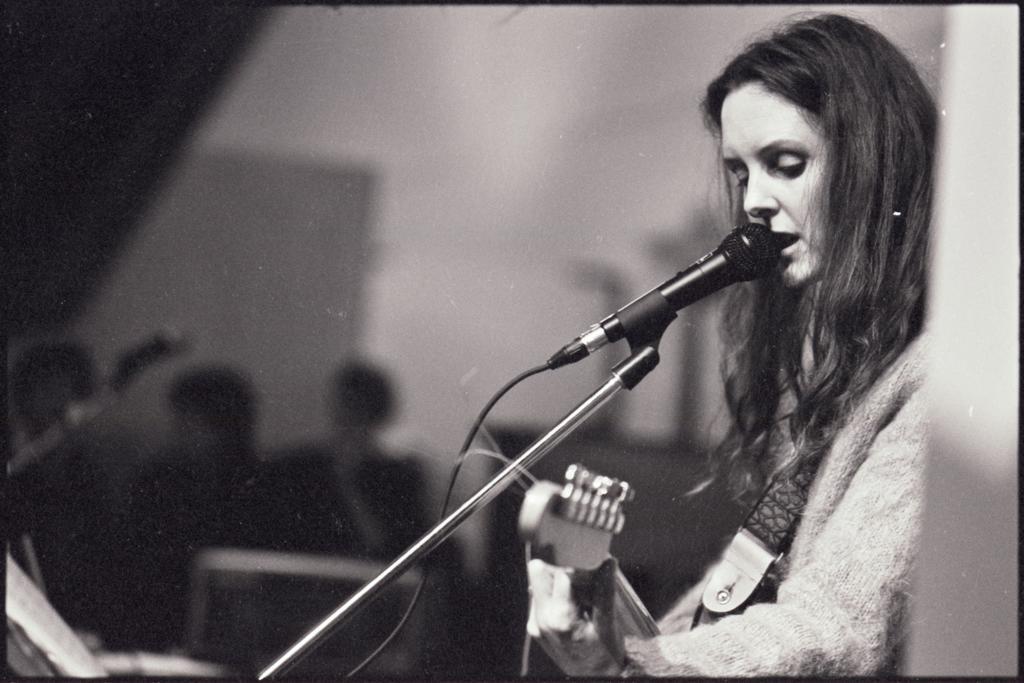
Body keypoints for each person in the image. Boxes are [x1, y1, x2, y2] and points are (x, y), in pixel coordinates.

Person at [526, 13, 934, 677]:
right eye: (742, 174)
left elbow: (836, 624)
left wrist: (635, 665)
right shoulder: (850, 373)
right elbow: (733, 607)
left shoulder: (934, 383)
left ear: (876, 167)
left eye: (786, 164)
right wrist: (610, 631)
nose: (756, 204)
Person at [122, 365, 265, 651]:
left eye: (191, 420)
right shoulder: (156, 481)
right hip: (159, 629)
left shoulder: (260, 484)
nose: (179, 430)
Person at [6, 341, 124, 646]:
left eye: (70, 393)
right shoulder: (14, 469)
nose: (59, 404)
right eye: (47, 391)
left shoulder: (87, 474)